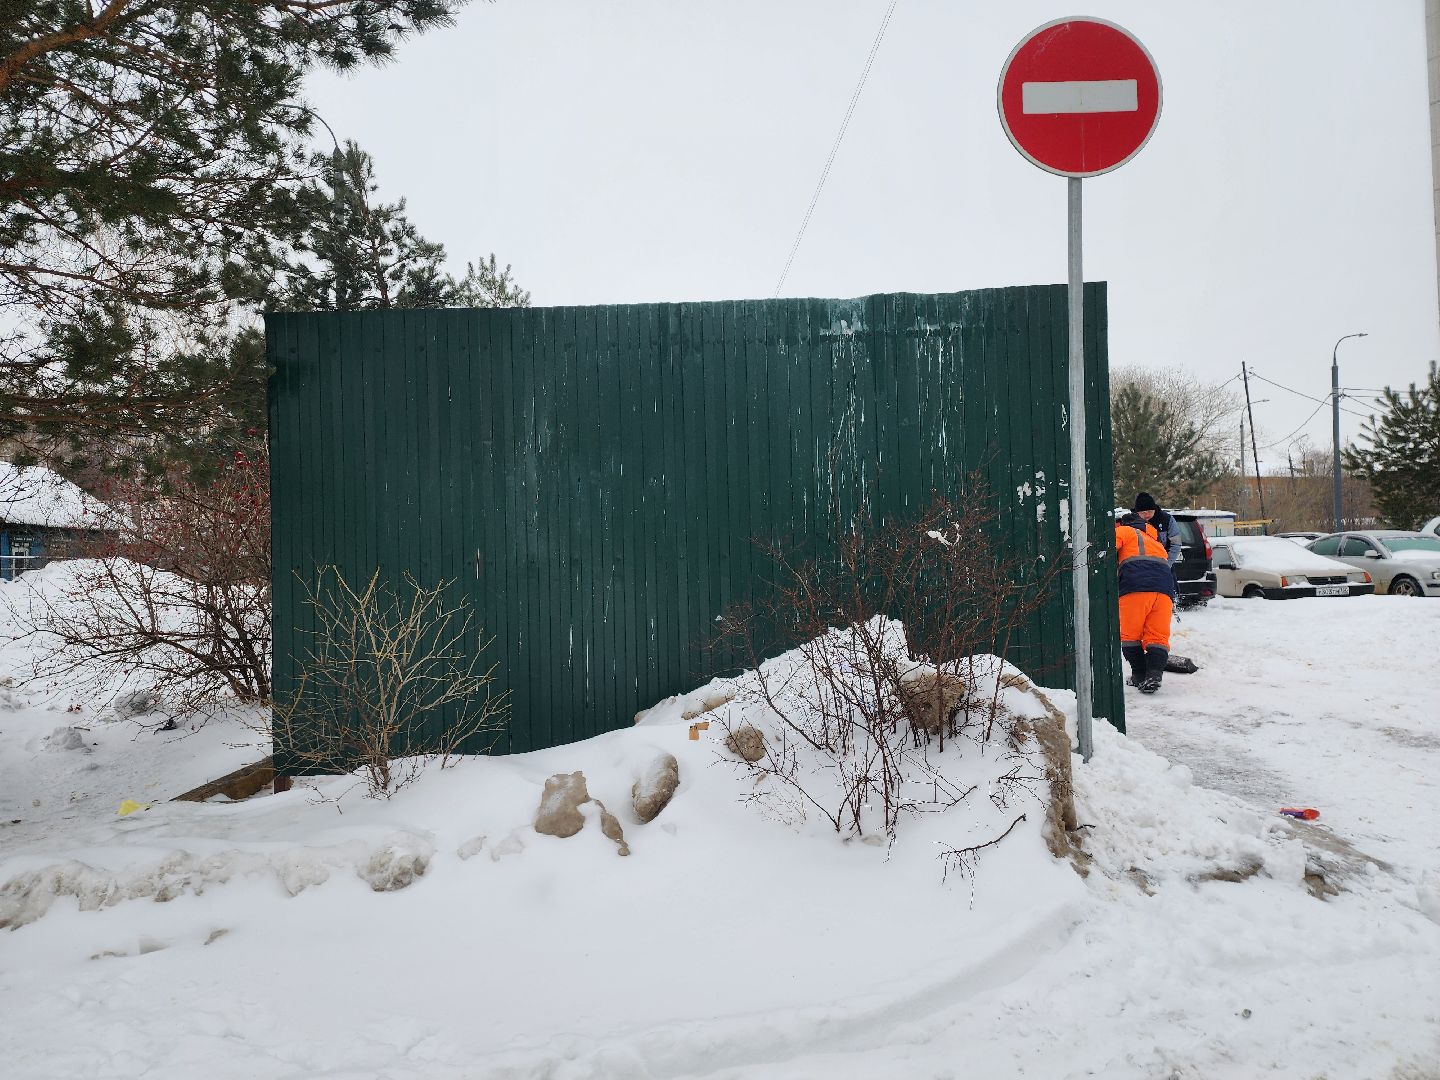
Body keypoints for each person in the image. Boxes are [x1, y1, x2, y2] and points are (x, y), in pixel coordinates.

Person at [1115, 496, 1177, 694]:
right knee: (1157, 635)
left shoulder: (1122, 531)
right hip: (1164, 589)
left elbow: (1105, 552)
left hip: (1135, 587)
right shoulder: (1154, 539)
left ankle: (1139, 675)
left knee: (1130, 636)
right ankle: (1154, 675)